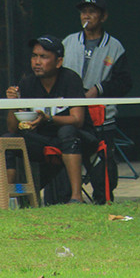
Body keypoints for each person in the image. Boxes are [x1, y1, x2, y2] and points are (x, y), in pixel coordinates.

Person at [62, 0, 131, 203]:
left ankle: (103, 200)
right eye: (84, 12)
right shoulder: (68, 42)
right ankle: (65, 200)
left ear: (103, 17)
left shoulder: (115, 47)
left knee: (103, 167)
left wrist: (98, 89)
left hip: (102, 118)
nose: (87, 16)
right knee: (66, 155)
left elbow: (124, 83)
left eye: (92, 12)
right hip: (71, 115)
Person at [6, 35, 86, 204]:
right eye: (34, 56)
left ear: (58, 62)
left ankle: (76, 197)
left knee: (68, 132)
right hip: (41, 139)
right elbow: (13, 128)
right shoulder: (27, 83)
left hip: (69, 138)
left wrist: (49, 119)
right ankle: (9, 199)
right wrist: (12, 104)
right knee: (8, 141)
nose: (37, 62)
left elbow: (78, 120)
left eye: (43, 57)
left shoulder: (70, 79)